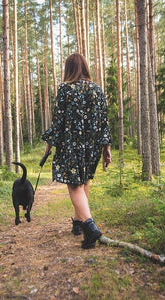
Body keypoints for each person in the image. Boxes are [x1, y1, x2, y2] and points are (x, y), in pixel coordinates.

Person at [41, 53, 112, 249]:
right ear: (85, 67)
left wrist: (49, 145)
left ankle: (90, 227)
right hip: (93, 145)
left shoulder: (65, 89)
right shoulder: (97, 90)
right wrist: (106, 148)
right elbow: (104, 122)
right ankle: (79, 223)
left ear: (68, 69)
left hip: (72, 144)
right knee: (84, 181)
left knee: (74, 186)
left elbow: (59, 121)